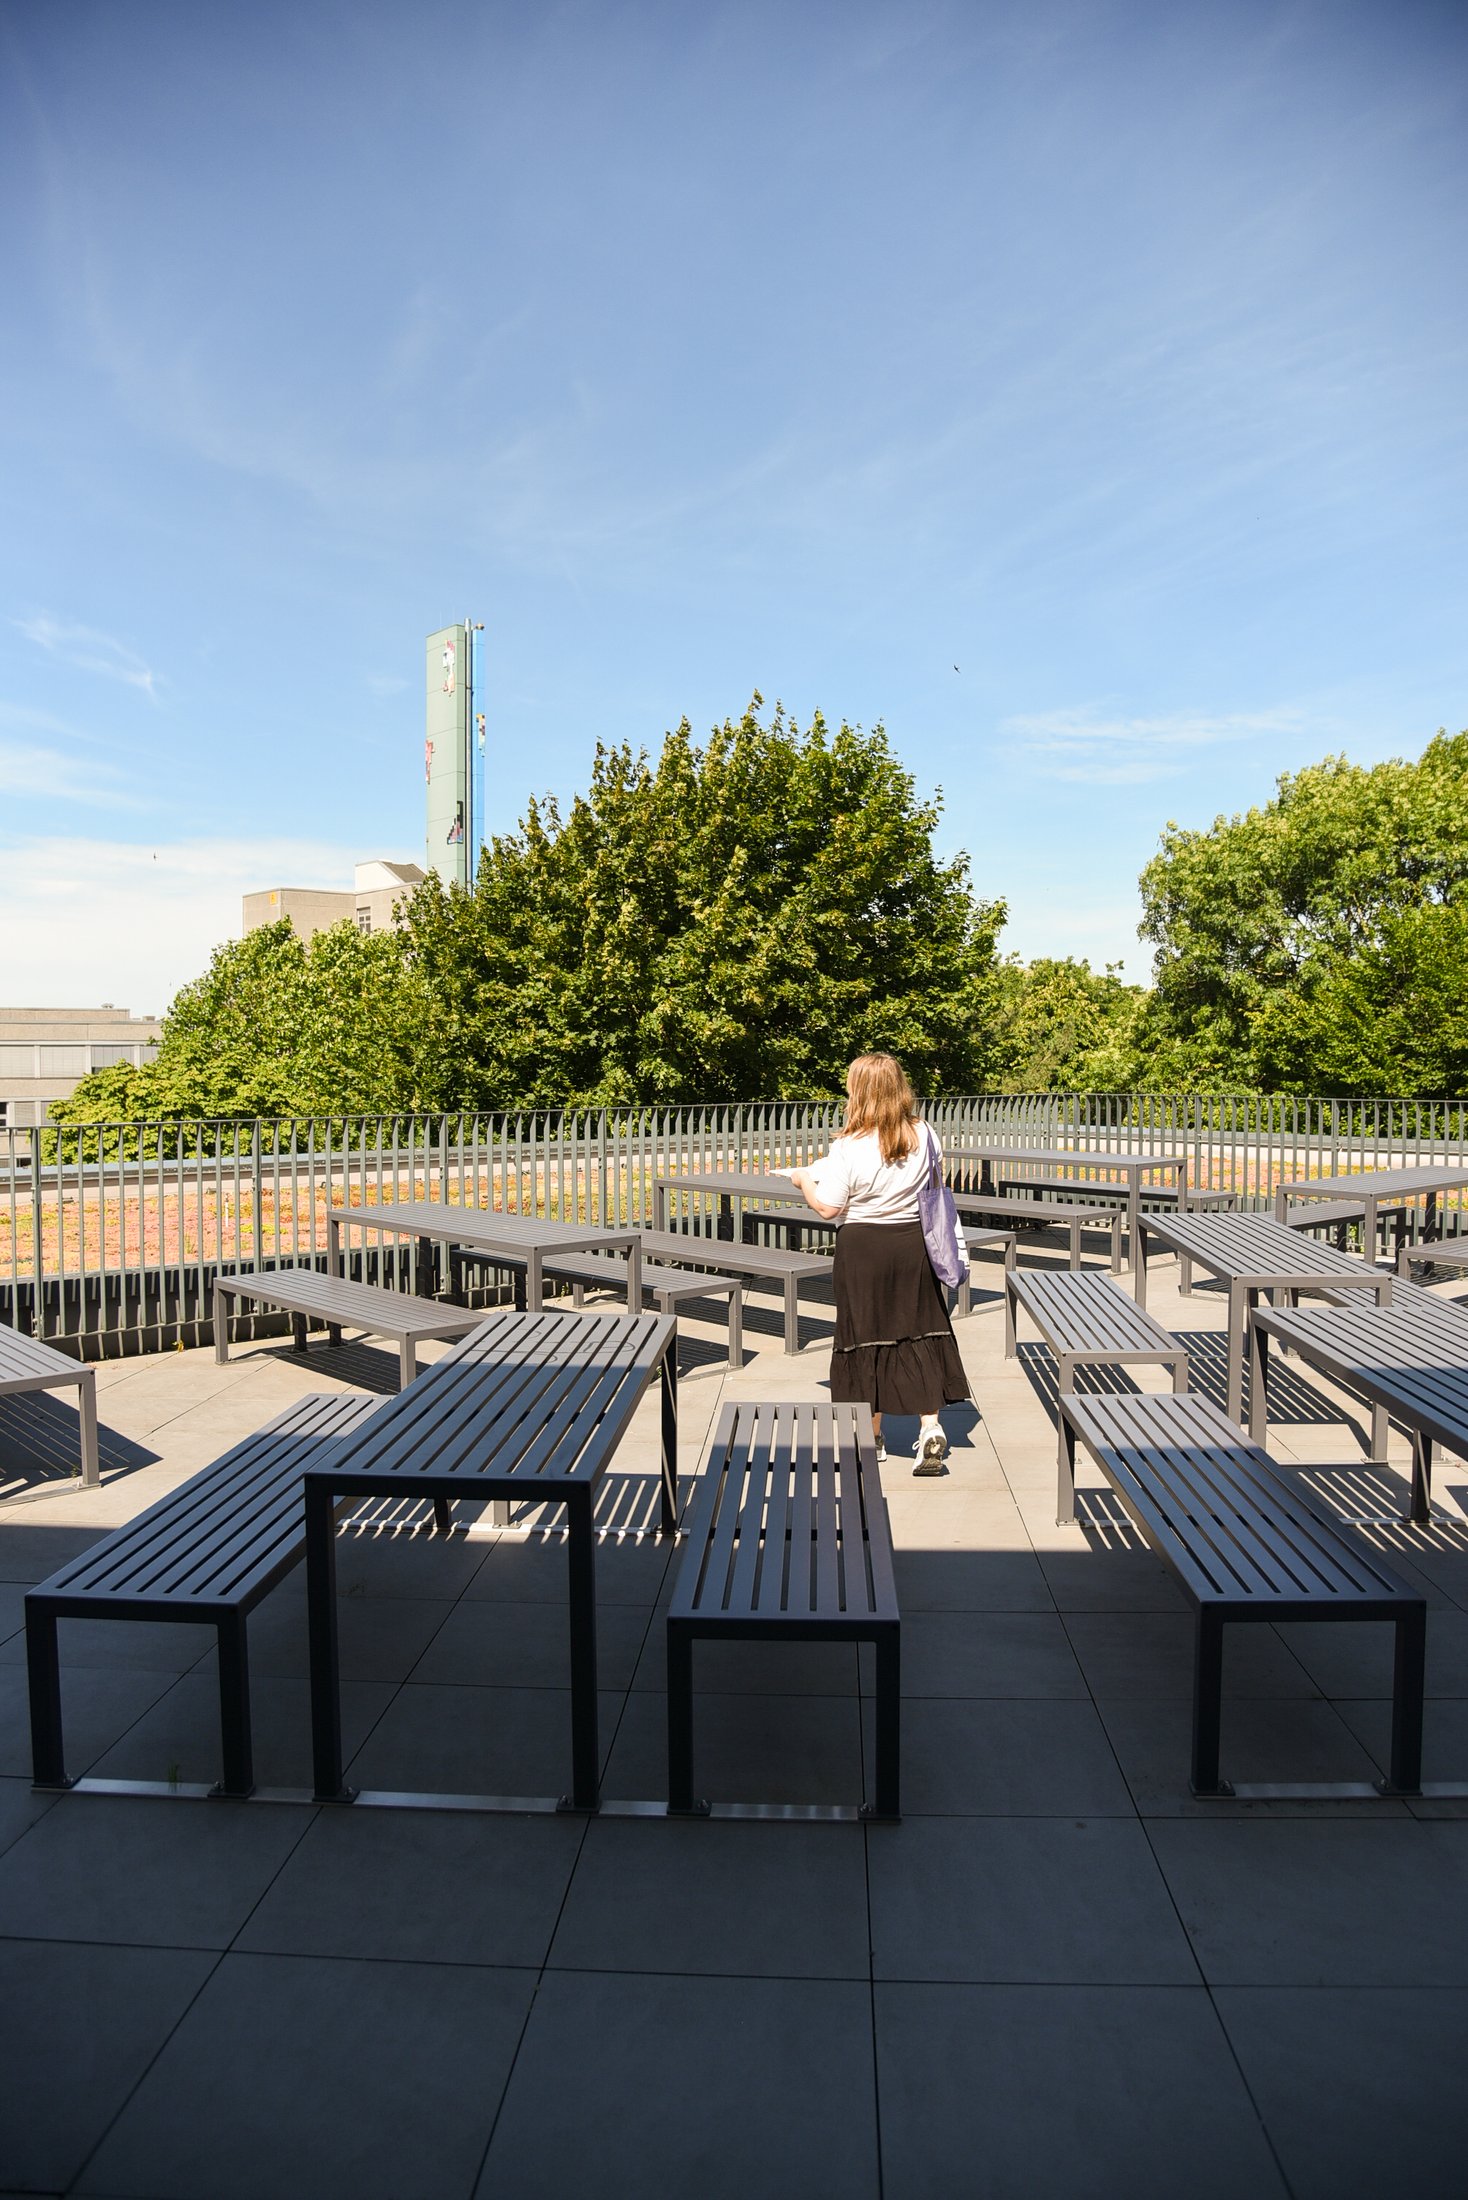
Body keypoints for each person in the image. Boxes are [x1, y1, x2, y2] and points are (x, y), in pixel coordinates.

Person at [782, 1051, 968, 1474]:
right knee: (920, 1330)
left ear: (858, 1092)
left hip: (863, 1248)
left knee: (864, 1336)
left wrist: (802, 1179)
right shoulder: (925, 1133)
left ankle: (871, 1437)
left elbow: (829, 1208)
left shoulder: (848, 1146)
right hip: (913, 1245)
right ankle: (930, 1428)